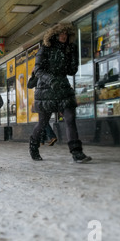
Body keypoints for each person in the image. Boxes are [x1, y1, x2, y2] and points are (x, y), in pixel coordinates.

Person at [29, 23, 91, 163]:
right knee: (43, 122)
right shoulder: (45, 49)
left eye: (66, 34)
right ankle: (33, 146)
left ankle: (77, 152)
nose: (64, 36)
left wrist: (73, 57)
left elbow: (71, 71)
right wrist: (51, 80)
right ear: (55, 35)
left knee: (70, 118)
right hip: (45, 89)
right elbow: (38, 70)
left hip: (63, 88)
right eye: (61, 33)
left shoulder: (69, 49)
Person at [28, 70, 57, 147]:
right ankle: (42, 140)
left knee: (43, 121)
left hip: (42, 100)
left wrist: (34, 74)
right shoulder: (49, 74)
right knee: (43, 120)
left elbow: (29, 85)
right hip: (48, 99)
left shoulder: (40, 75)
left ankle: (50, 136)